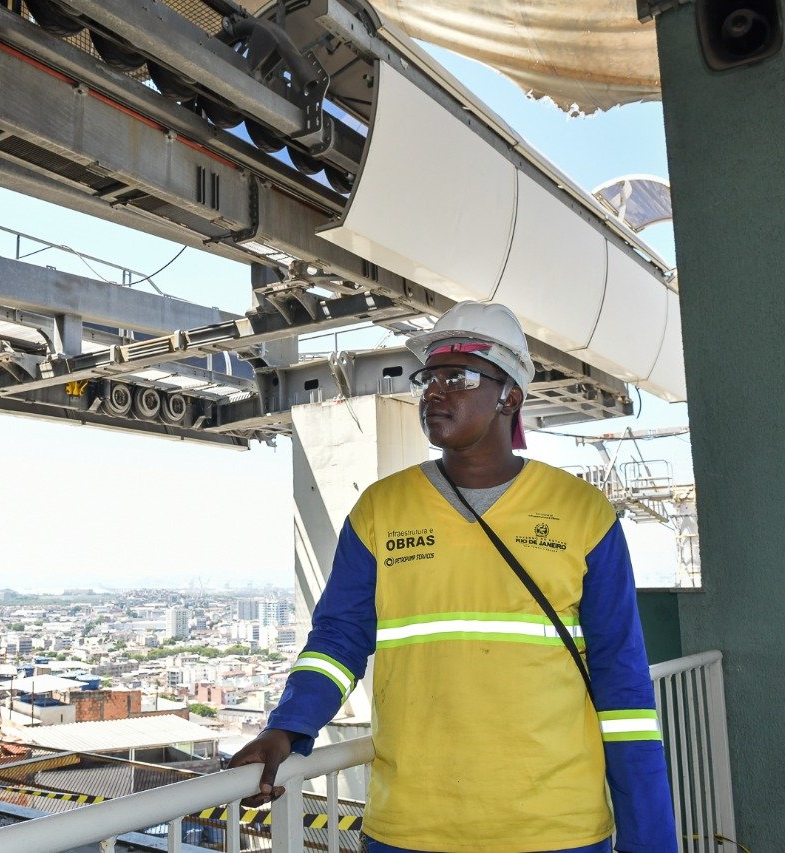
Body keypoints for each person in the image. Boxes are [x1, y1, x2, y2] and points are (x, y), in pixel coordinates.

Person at [228, 301, 677, 852]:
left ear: (510, 394)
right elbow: (337, 641)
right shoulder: (379, 510)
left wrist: (650, 841)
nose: (434, 392)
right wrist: (287, 729)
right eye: (429, 377)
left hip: (556, 829)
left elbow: (623, 687)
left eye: (459, 376)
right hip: (412, 829)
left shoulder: (583, 513)